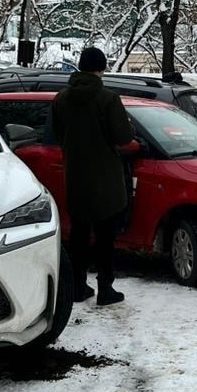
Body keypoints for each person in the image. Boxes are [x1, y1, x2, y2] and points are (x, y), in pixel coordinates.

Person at [51, 46, 135, 305]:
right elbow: (123, 137)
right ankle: (105, 289)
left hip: (75, 178)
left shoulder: (61, 99)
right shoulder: (107, 99)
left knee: (78, 235)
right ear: (101, 69)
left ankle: (78, 286)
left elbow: (56, 135)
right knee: (105, 237)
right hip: (106, 180)